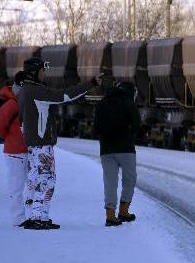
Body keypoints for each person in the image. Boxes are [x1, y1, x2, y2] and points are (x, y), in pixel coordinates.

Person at [17, 57, 99, 230]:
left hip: (33, 144)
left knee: (34, 178)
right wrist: (90, 83)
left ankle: (35, 215)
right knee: (47, 180)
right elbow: (65, 96)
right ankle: (38, 217)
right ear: (34, 72)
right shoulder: (36, 91)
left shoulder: (24, 91)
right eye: (42, 71)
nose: (44, 74)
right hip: (42, 143)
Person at [92, 81, 142, 227]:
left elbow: (95, 128)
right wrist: (128, 133)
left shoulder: (102, 103)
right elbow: (137, 124)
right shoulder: (128, 102)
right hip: (126, 149)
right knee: (129, 180)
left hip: (106, 150)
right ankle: (124, 211)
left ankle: (110, 215)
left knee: (110, 182)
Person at [0, 72, 28, 227]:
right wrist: (12, 137)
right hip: (14, 152)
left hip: (24, 150)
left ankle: (27, 216)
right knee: (16, 186)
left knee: (25, 184)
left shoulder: (20, 102)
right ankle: (18, 218)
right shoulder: (12, 105)